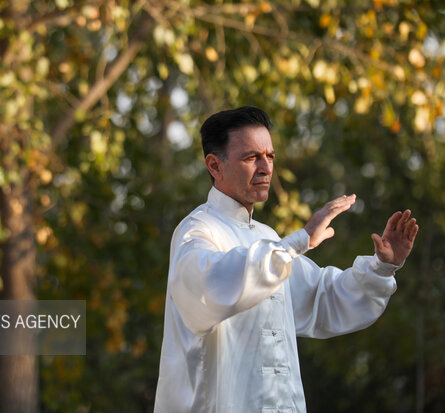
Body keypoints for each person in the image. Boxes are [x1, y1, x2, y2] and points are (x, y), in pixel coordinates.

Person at [153, 106, 419, 413]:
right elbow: (214, 286)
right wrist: (299, 240)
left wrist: (383, 267)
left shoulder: (267, 239)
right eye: (251, 157)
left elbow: (325, 297)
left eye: (270, 156)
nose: (266, 168)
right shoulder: (196, 231)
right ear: (215, 165)